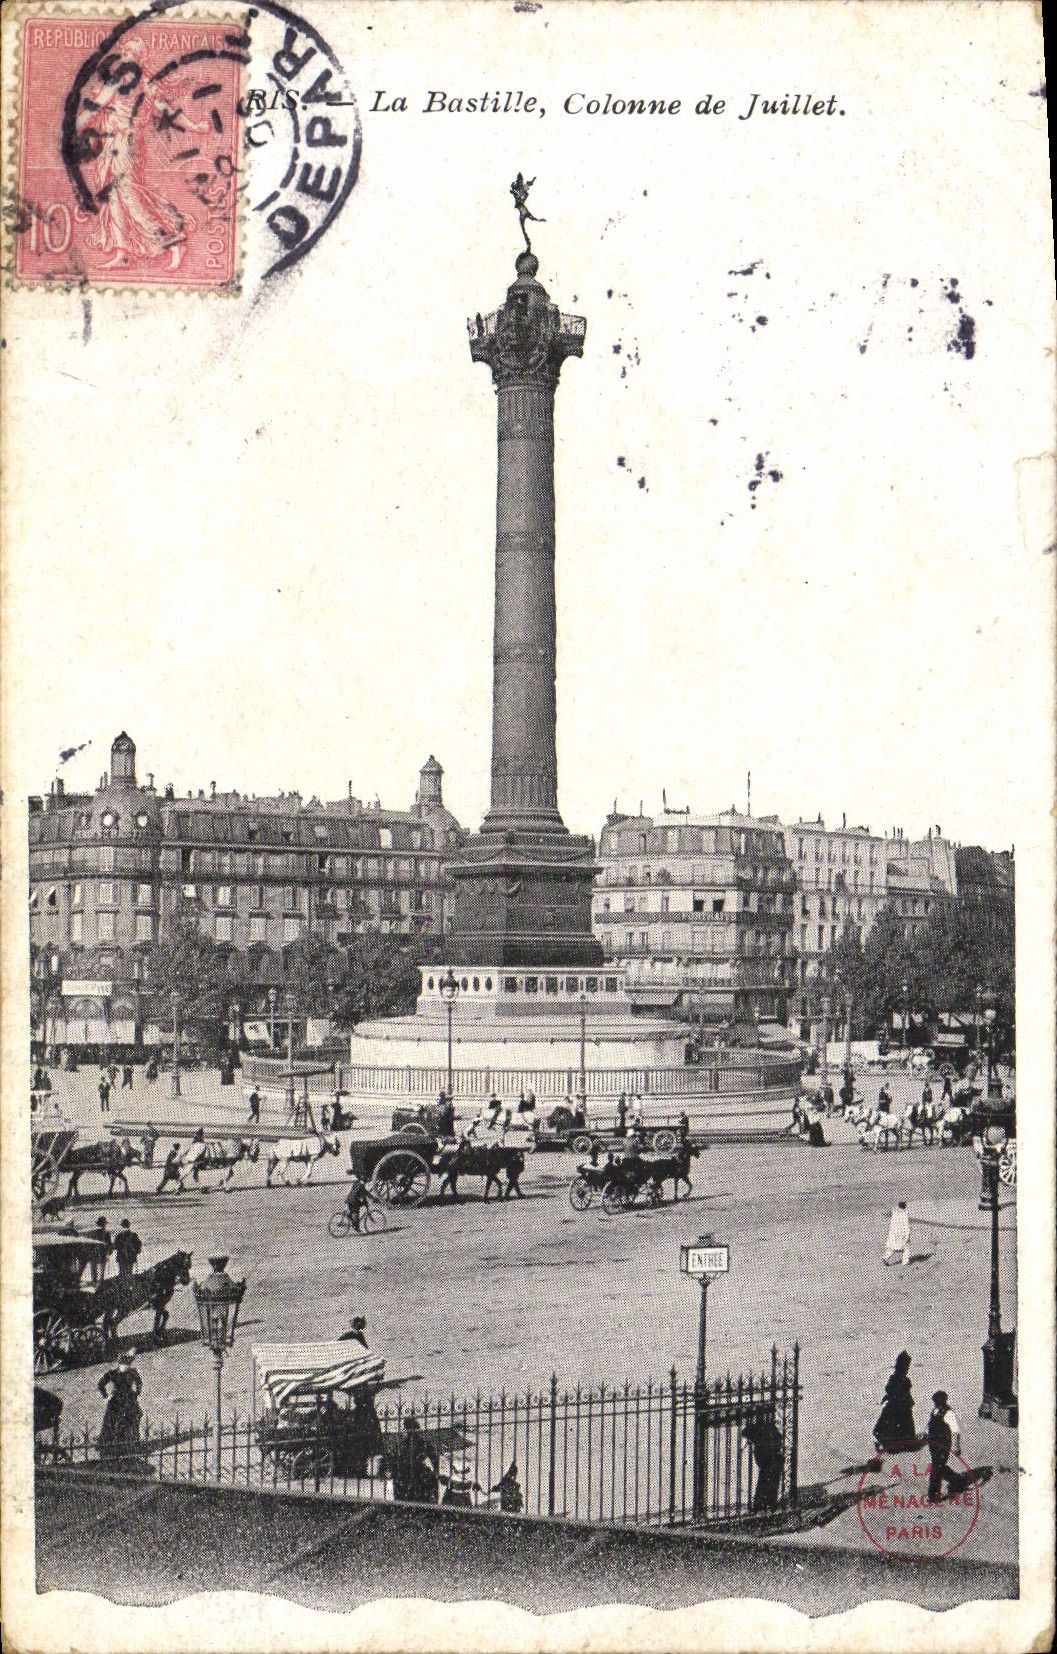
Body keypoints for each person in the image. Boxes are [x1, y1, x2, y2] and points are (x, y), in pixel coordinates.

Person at [97, 1350, 143, 1463]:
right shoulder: (113, 1373)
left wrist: (136, 1394)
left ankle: (130, 1446)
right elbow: (101, 1384)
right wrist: (106, 1396)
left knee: (131, 1420)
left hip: (128, 1399)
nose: (125, 1367)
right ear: (119, 1364)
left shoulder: (132, 1372)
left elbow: (139, 1383)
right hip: (116, 1401)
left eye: (127, 1365)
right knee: (112, 1421)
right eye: (123, 1365)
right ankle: (111, 1447)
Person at [873, 1351, 917, 1454]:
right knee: (895, 1424)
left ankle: (899, 1443)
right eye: (906, 1366)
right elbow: (890, 1390)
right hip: (896, 1406)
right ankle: (891, 1443)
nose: (907, 1368)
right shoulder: (897, 1379)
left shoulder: (902, 1379)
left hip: (900, 1405)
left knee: (899, 1425)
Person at [742, 1409, 785, 1512]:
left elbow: (779, 1438)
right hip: (766, 1458)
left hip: (771, 1458)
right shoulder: (758, 1427)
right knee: (768, 1480)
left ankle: (764, 1504)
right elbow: (745, 1433)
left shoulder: (769, 1427)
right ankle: (766, 1504)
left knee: (768, 1480)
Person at [391, 1415, 439, 1504]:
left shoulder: (403, 1444)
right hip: (417, 1472)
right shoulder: (422, 1442)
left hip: (406, 1473)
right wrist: (436, 1471)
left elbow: (394, 1459)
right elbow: (434, 1457)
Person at [926, 1390, 961, 1502]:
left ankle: (934, 1495)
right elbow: (930, 1425)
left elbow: (955, 1431)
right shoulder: (934, 1411)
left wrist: (956, 1446)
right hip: (933, 1444)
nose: (935, 1403)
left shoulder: (949, 1413)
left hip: (943, 1444)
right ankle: (956, 1479)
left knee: (936, 1467)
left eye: (937, 1401)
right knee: (939, 1466)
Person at [883, 1200, 912, 1266]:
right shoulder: (905, 1214)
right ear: (904, 1206)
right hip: (902, 1234)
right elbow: (906, 1226)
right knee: (906, 1247)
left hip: (894, 1233)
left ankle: (885, 1257)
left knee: (892, 1247)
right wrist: (908, 1235)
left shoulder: (895, 1212)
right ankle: (905, 1262)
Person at [89, 1216, 113, 1285]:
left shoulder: (92, 1233)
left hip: (93, 1253)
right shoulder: (106, 1233)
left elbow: (89, 1244)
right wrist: (109, 1252)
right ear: (104, 1224)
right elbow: (109, 1244)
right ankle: (100, 1283)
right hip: (102, 1253)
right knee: (102, 1271)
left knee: (94, 1270)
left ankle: (94, 1283)